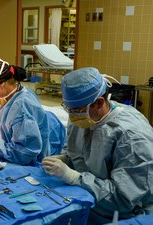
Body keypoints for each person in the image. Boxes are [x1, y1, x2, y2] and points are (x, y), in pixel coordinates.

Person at [42, 67, 153, 224]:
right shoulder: (83, 115)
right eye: (68, 109)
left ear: (99, 102)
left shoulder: (132, 136)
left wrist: (73, 177)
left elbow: (124, 198)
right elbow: (75, 148)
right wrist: (65, 159)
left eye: (76, 110)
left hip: (121, 215)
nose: (72, 115)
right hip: (88, 202)